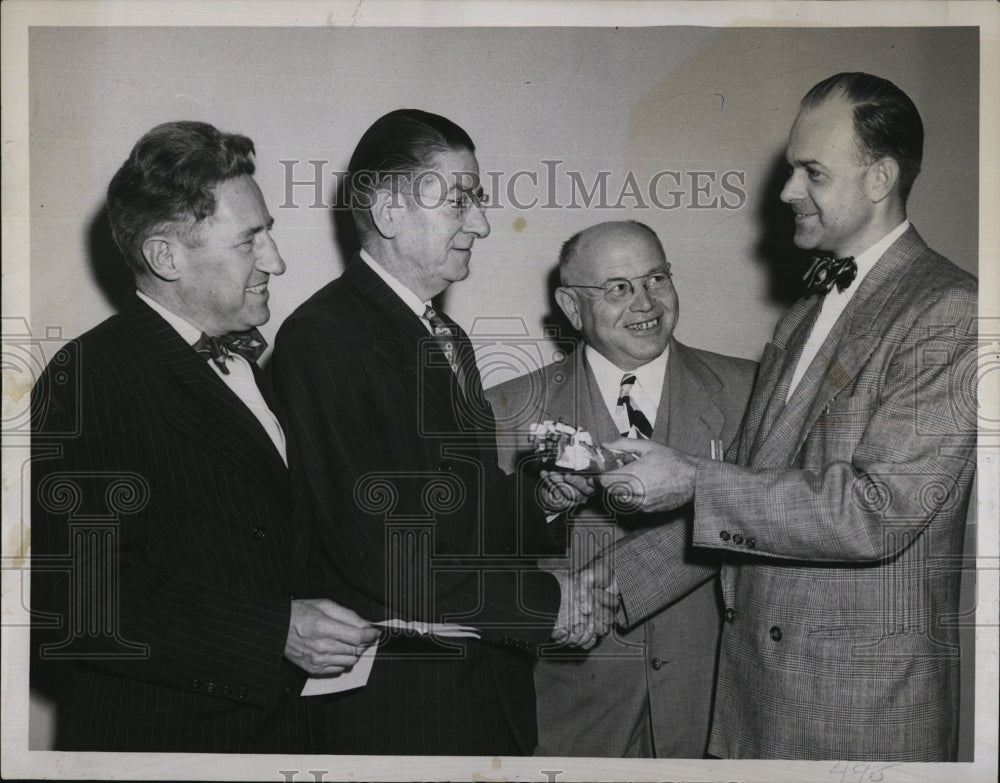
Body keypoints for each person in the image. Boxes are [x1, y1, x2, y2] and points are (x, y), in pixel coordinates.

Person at [580, 73, 978, 760]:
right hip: (758, 703)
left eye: (811, 172)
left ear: (880, 177)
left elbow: (876, 508)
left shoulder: (949, 310)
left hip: (859, 716)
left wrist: (697, 479)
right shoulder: (801, 314)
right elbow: (755, 490)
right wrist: (611, 588)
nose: (787, 191)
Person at [30, 121, 379, 753]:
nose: (277, 260)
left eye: (268, 234)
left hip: (280, 736)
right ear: (167, 257)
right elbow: (74, 597)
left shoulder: (250, 368)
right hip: (169, 745)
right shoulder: (94, 373)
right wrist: (272, 632)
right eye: (250, 241)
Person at [270, 109, 604, 756]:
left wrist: (538, 499)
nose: (480, 223)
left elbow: (452, 507)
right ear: (390, 211)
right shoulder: (325, 338)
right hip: (400, 711)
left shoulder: (446, 339)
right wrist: (544, 603)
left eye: (477, 200)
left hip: (474, 697)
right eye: (461, 200)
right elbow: (381, 549)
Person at [487, 220, 757, 757]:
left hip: (714, 710)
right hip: (571, 714)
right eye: (618, 287)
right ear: (570, 306)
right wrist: (542, 507)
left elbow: (772, 524)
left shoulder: (750, 391)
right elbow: (485, 569)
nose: (645, 302)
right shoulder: (506, 410)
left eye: (656, 278)